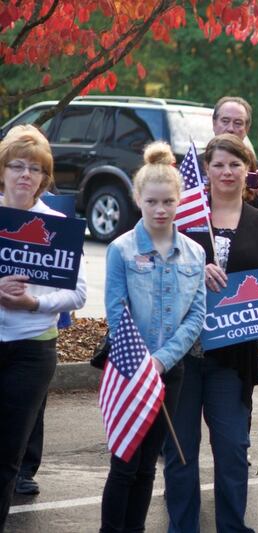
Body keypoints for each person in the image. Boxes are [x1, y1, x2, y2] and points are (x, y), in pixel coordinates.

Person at [163, 134, 258, 533]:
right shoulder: (183, 218)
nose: (226, 172)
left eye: (235, 164)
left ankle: (233, 526)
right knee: (180, 450)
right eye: (218, 164)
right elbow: (156, 275)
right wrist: (195, 272)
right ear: (206, 170)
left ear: (248, 170)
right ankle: (184, 526)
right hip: (181, 354)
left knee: (232, 448)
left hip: (232, 359)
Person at [100, 142, 206, 532]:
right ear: (137, 200)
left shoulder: (195, 253)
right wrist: (144, 362)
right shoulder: (120, 250)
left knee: (148, 466)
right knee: (125, 461)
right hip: (130, 368)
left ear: (180, 202)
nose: (160, 210)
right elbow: (115, 310)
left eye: (168, 202)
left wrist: (163, 359)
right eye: (152, 202)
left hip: (170, 371)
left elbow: (196, 315)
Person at [0, 127, 87, 529]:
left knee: (7, 456)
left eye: (34, 169)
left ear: (44, 177)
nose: (24, 175)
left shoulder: (57, 226)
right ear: (3, 171)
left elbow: (79, 293)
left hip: (33, 350)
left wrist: (34, 302)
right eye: (16, 165)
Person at [211, 95, 258, 248]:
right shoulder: (194, 166)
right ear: (214, 123)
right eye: (225, 121)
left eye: (238, 123)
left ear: (247, 129)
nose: (230, 128)